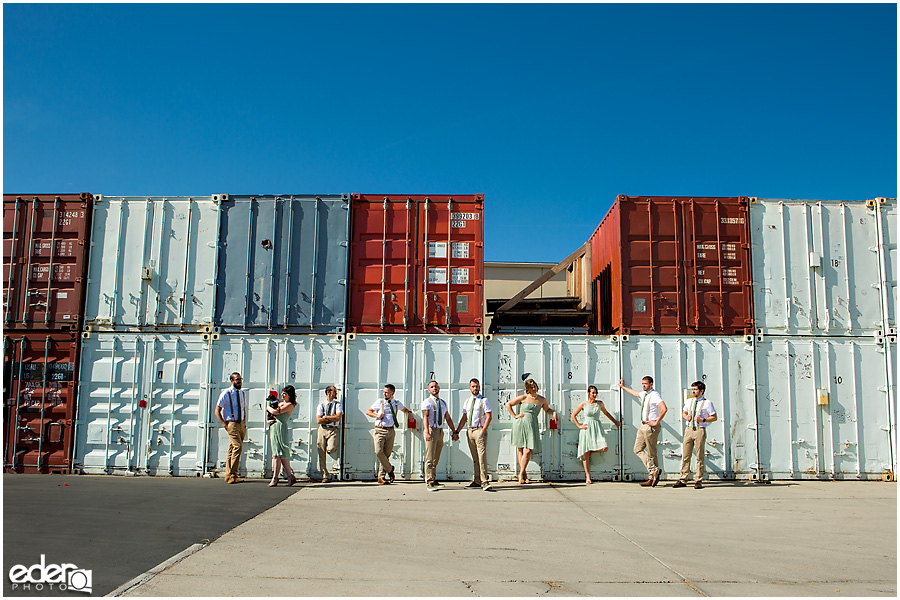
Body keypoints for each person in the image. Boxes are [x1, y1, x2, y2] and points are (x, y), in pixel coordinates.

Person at [619, 376, 667, 487]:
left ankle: (652, 475)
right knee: (637, 449)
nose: (643, 385)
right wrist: (623, 387)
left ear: (651, 384)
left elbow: (664, 408)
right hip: (643, 425)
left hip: (650, 427)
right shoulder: (645, 394)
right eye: (642, 383)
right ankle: (654, 470)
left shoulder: (655, 395)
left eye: (645, 383)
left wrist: (656, 422)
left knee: (651, 452)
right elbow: (635, 393)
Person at [507, 378, 557, 485]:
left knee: (527, 450)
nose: (534, 388)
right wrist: (515, 416)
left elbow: (547, 409)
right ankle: (523, 475)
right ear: (528, 389)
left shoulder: (541, 400)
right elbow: (509, 404)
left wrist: (553, 413)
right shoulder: (524, 397)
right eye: (531, 387)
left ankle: (521, 474)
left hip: (532, 425)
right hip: (521, 424)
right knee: (520, 449)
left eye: (535, 386)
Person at [571, 385, 621, 484]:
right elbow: (573, 415)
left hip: (597, 428)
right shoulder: (584, 404)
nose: (595, 395)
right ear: (588, 393)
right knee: (585, 451)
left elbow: (606, 413)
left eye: (596, 393)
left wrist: (615, 422)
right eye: (593, 393)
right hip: (587, 428)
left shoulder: (600, 404)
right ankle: (588, 476)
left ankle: (590, 453)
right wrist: (579, 425)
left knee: (604, 448)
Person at [365, 384, 414, 484]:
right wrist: (377, 415)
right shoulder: (379, 402)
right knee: (378, 451)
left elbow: (404, 409)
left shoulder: (396, 403)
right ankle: (390, 469)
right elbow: (368, 411)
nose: (384, 394)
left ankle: (381, 477)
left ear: (392, 393)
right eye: (384, 392)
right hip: (380, 430)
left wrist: (410, 413)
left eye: (386, 392)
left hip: (391, 431)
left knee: (386, 455)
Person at [451, 378, 494, 491]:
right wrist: (457, 431)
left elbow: (489, 416)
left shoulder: (484, 400)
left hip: (479, 429)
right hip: (470, 430)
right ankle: (477, 480)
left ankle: (485, 481)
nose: (475, 388)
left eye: (477, 386)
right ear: (469, 388)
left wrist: (484, 430)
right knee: (475, 457)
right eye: (473, 386)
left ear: (479, 387)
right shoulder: (467, 401)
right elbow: (464, 418)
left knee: (481, 456)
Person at [673, 381, 717, 489]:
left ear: (701, 391)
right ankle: (683, 478)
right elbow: (684, 412)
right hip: (689, 429)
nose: (693, 391)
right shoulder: (689, 401)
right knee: (686, 455)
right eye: (692, 389)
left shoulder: (707, 403)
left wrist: (703, 419)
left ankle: (698, 479)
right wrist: (686, 416)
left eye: (695, 389)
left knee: (699, 455)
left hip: (699, 429)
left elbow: (714, 417)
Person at [421, 380, 455, 491]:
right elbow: (425, 417)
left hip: (440, 430)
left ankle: (434, 478)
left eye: (436, 386)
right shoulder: (427, 402)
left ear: (439, 388)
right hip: (432, 429)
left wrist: (454, 431)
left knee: (436, 457)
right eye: (432, 387)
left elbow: (448, 418)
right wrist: (426, 431)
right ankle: (429, 481)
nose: (434, 388)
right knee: (429, 457)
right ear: (429, 390)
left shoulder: (443, 403)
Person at [215, 372, 247, 484]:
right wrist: (224, 424)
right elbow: (217, 411)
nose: (239, 381)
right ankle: (233, 474)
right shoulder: (226, 393)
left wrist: (244, 422)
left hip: (241, 423)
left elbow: (243, 408)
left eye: (240, 379)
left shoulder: (242, 393)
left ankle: (228, 474)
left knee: (232, 448)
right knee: (238, 446)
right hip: (232, 423)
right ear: (232, 381)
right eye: (237, 379)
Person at [266, 385, 298, 487]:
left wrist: (268, 407)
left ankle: (275, 478)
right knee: (280, 454)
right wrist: (269, 420)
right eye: (282, 393)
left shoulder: (290, 405)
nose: (283, 395)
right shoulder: (281, 403)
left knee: (278, 454)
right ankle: (290, 476)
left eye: (285, 394)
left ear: (290, 395)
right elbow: (273, 414)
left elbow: (275, 411)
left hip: (281, 429)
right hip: (274, 427)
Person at [316, 385, 343, 482]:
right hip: (322, 429)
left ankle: (330, 450)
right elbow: (318, 420)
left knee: (331, 448)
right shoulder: (321, 405)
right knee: (321, 451)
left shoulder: (338, 405)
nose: (336, 394)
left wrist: (325, 418)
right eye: (334, 391)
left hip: (333, 429)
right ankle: (324, 475)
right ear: (328, 392)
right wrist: (331, 418)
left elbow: (338, 417)